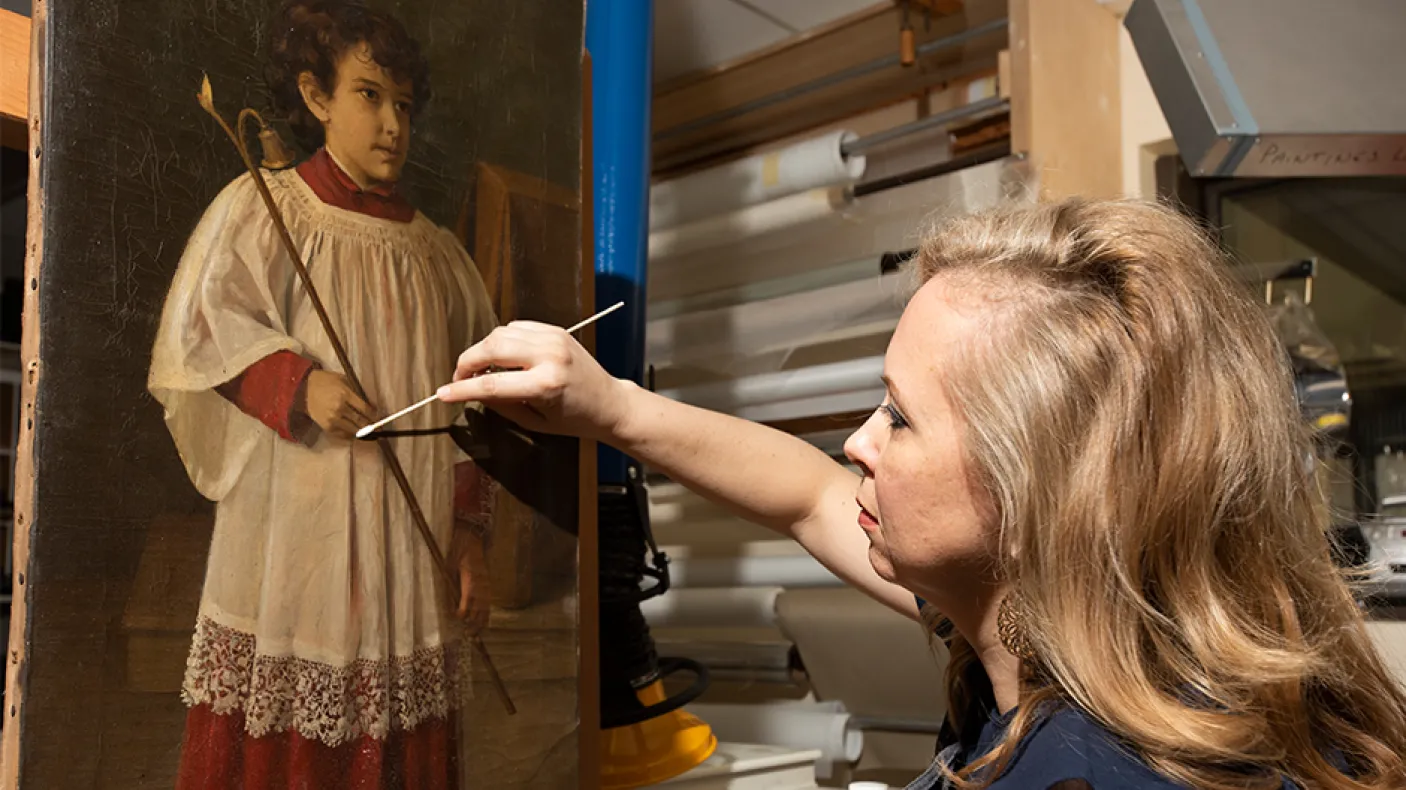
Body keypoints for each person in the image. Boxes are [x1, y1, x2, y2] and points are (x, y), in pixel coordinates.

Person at [438, 198, 1406, 789]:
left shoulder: (1099, 772)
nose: (856, 441)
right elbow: (809, 497)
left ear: (1037, 503)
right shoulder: (1076, 632)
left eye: (898, 417)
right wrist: (606, 405)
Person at [147, 1, 497, 786]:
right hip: (299, 525)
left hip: (408, 542)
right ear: (315, 96)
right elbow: (203, 331)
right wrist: (298, 385)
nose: (392, 125)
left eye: (403, 104)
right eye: (369, 95)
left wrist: (468, 533)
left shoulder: (437, 256)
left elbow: (473, 403)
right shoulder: (269, 211)